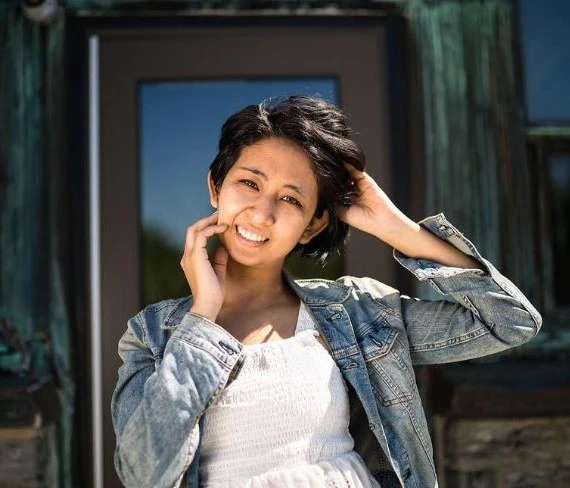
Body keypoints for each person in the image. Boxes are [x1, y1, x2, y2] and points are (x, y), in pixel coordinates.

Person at [111, 96, 542, 488]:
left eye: (291, 200)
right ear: (215, 187)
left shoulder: (355, 314)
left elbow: (509, 322)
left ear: (312, 224)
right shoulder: (154, 334)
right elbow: (142, 473)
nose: (262, 213)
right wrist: (203, 317)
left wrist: (396, 228)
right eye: (249, 183)